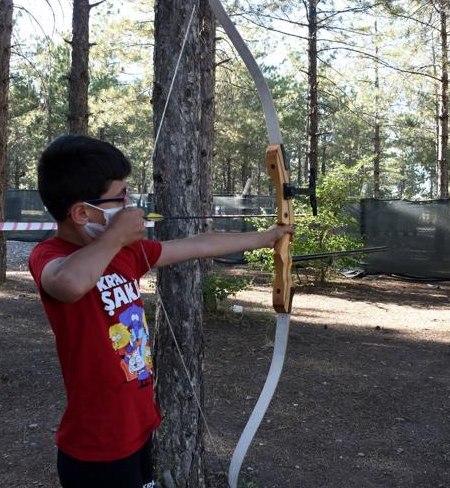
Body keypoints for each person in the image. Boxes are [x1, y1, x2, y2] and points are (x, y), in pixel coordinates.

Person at [28, 135, 291, 488]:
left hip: (137, 427)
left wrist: (267, 236)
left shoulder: (126, 253)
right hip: (96, 446)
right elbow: (69, 283)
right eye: (120, 198)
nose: (130, 205)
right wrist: (115, 236)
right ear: (81, 213)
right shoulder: (51, 255)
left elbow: (198, 244)